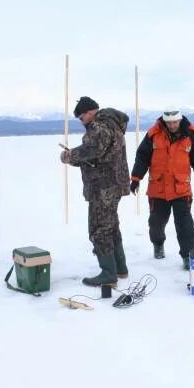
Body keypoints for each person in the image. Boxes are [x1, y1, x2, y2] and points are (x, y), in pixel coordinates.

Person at [129, 107, 194, 270]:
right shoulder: (153, 135)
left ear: (180, 120)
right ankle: (158, 244)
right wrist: (136, 179)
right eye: (169, 123)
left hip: (181, 189)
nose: (173, 125)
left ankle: (188, 256)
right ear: (165, 122)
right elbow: (142, 157)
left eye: (175, 122)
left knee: (185, 226)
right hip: (158, 189)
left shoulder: (190, 136)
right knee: (156, 224)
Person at [60, 96, 130, 287]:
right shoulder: (111, 124)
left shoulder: (99, 127)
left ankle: (108, 273)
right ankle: (120, 268)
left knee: (99, 229)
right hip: (113, 183)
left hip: (103, 186)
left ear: (90, 112)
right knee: (111, 226)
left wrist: (69, 156)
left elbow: (91, 150)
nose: (81, 122)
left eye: (81, 118)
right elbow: (98, 156)